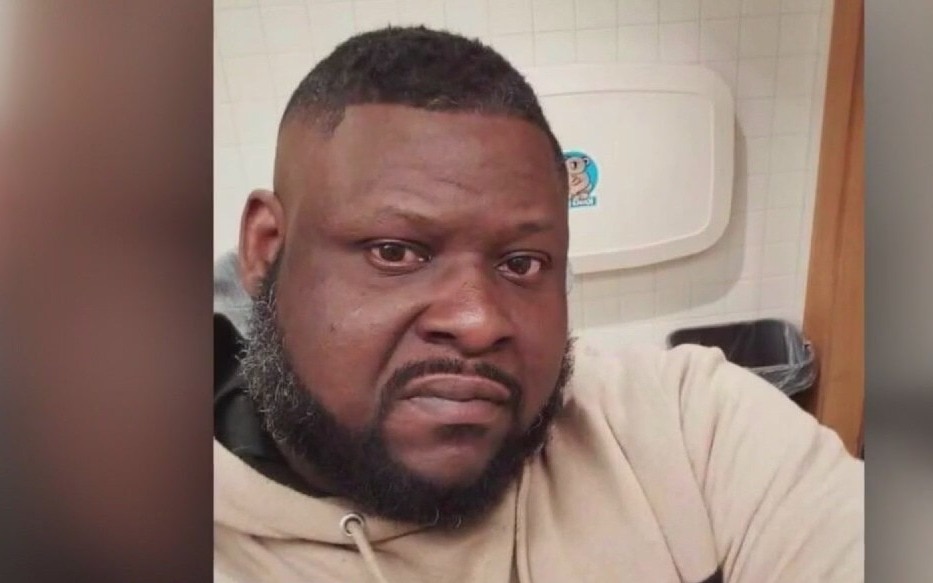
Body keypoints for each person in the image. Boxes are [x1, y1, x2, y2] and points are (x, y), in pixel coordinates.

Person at [214, 26, 863, 583]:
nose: (478, 322)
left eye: (521, 263)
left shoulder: (689, 431)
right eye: (396, 252)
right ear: (267, 248)